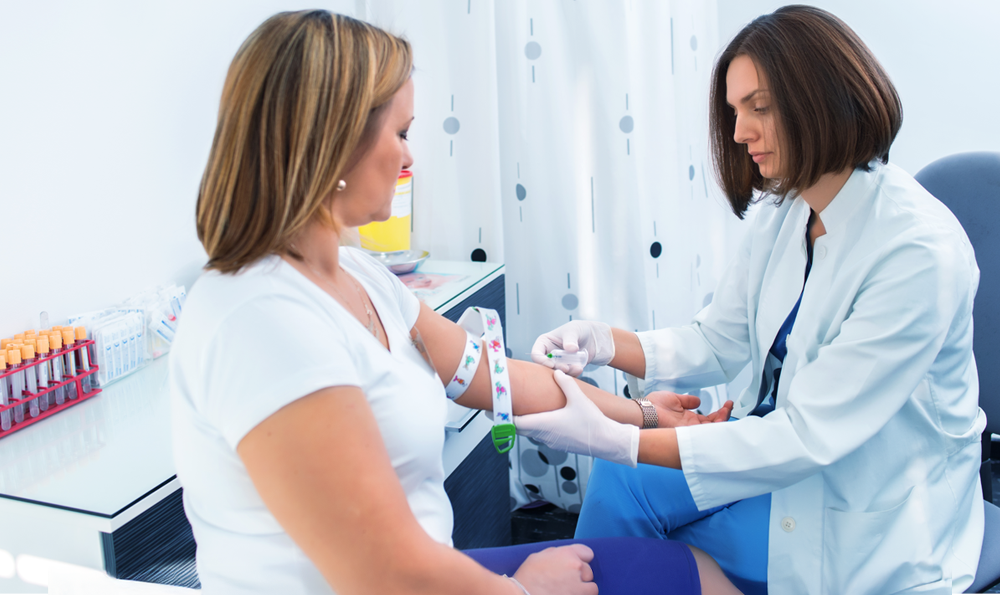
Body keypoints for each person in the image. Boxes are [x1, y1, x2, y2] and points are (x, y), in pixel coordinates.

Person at [169, 9, 741, 595]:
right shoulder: (261, 320)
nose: (411, 158)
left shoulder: (363, 277)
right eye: (401, 133)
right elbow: (384, 573)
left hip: (426, 566)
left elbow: (497, 378)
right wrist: (526, 590)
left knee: (692, 573)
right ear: (334, 142)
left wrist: (644, 415)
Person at [525, 5, 985, 595]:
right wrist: (604, 341)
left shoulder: (917, 252)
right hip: (774, 462)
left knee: (634, 547)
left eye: (759, 108)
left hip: (864, 511)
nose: (740, 132)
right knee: (622, 483)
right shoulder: (792, 210)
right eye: (735, 110)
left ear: (823, 99)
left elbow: (805, 437)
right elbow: (718, 340)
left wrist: (618, 434)